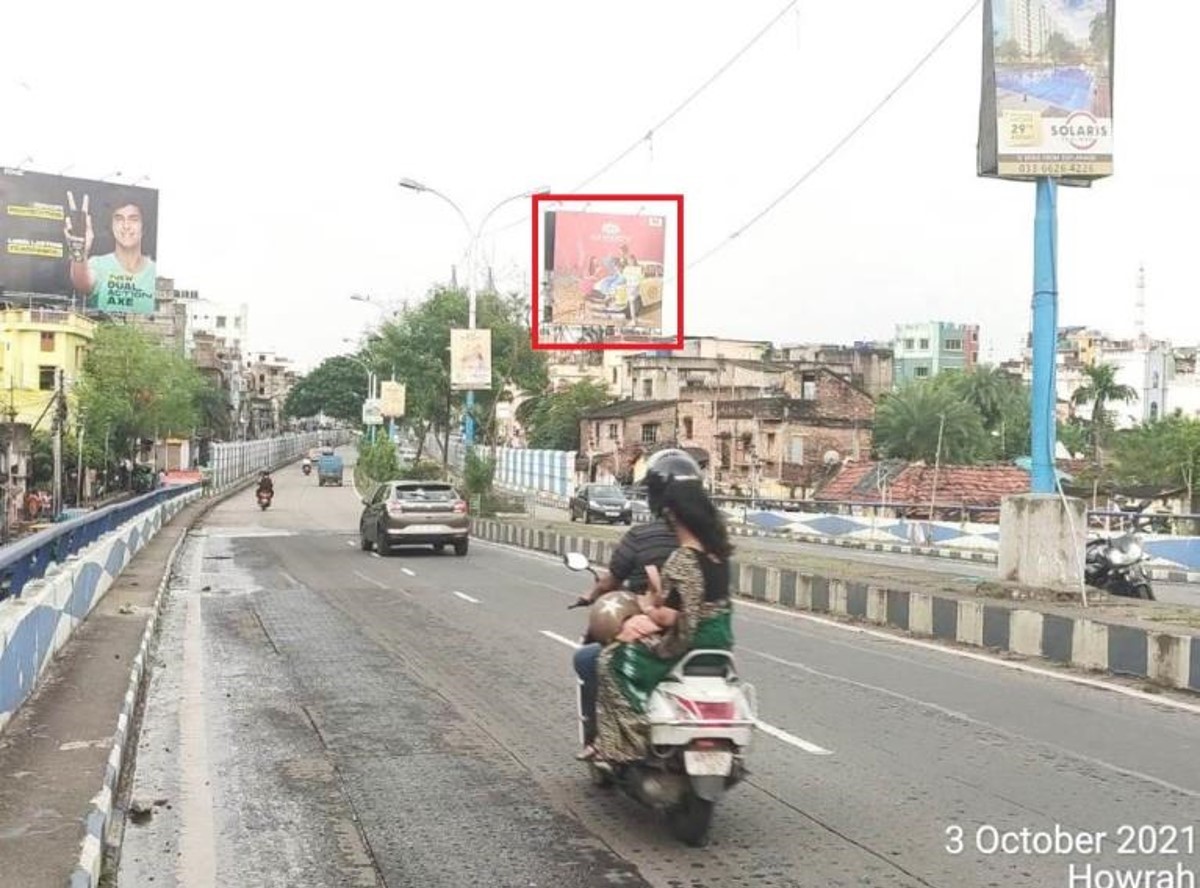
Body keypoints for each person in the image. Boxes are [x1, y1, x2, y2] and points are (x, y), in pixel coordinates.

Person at [587, 468, 734, 765]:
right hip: (719, 643)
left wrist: (647, 608)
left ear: (674, 516)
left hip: (687, 643)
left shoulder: (683, 559)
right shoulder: (720, 556)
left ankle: (629, 742)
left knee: (609, 661)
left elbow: (670, 617)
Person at [571, 449, 702, 757]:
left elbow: (611, 581)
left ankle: (601, 741)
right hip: (704, 642)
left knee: (590, 660)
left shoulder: (642, 537)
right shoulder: (709, 543)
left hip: (661, 637)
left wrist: (591, 596)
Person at [64, 190, 157, 313]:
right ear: (111, 226)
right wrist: (79, 250)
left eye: (133, 219)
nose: (126, 226)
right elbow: (82, 283)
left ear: (143, 227)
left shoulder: (154, 272)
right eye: (119, 219)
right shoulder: (98, 264)